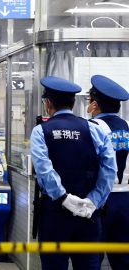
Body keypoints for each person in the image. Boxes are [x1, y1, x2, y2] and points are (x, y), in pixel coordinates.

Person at [30, 76, 116, 270]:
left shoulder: (41, 131)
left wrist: (63, 198)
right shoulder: (95, 129)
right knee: (88, 265)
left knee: (54, 265)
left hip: (54, 213)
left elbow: (44, 169)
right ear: (74, 102)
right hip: (89, 213)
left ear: (48, 103)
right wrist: (94, 201)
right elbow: (110, 170)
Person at [86, 75, 129, 270]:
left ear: (94, 105)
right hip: (126, 201)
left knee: (92, 259)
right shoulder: (127, 126)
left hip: (100, 201)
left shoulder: (92, 128)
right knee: (123, 260)